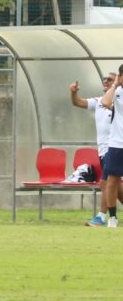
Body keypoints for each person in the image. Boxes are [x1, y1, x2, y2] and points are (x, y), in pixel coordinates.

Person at [70, 73, 123, 226]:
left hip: (114, 148)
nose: (106, 81)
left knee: (106, 182)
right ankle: (106, 216)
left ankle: (101, 216)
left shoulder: (117, 99)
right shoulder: (98, 101)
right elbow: (78, 102)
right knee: (115, 186)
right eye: (104, 79)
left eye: (110, 79)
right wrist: (73, 92)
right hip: (103, 150)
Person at [101, 65, 123, 228]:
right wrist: (115, 84)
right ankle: (113, 218)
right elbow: (105, 102)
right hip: (117, 144)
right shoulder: (117, 92)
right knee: (112, 180)